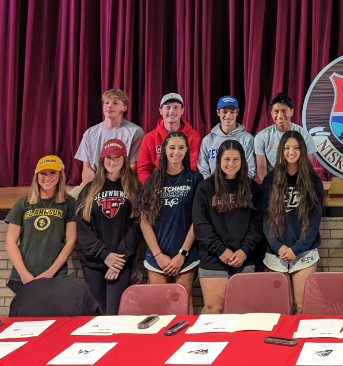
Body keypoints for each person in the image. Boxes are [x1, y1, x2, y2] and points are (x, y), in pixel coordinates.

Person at [193, 139, 262, 314]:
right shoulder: (205, 188)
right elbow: (201, 226)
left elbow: (256, 224)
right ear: (219, 161)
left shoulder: (252, 188)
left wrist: (245, 250)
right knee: (214, 309)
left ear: (243, 161)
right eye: (227, 159)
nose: (231, 164)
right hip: (213, 258)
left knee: (243, 310)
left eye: (236, 159)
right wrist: (220, 250)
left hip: (243, 258)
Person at [75, 139, 142, 314]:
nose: (112, 161)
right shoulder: (89, 189)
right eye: (108, 157)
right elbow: (82, 229)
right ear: (102, 160)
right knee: (97, 313)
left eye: (117, 157)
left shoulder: (134, 188)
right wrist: (104, 255)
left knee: (114, 313)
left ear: (124, 160)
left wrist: (118, 259)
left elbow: (136, 227)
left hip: (120, 263)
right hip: (94, 262)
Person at [138, 132, 203, 307]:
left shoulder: (195, 179)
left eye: (181, 148)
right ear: (164, 150)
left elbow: (198, 220)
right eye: (172, 147)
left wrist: (182, 254)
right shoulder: (152, 181)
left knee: (183, 302)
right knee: (160, 305)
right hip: (157, 255)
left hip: (185, 254)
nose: (176, 152)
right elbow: (144, 221)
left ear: (187, 150)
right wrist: (158, 255)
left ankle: (188, 336)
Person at [262, 131, 325, 313]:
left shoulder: (312, 181)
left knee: (303, 306)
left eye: (296, 148)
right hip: (276, 253)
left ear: (302, 151)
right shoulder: (270, 180)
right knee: (279, 308)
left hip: (303, 253)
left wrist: (296, 249)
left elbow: (314, 222)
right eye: (287, 148)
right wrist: (279, 247)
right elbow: (265, 219)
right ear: (281, 150)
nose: (291, 152)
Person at [5, 156, 77, 294]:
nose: (47, 178)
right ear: (36, 175)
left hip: (55, 275)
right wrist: (23, 273)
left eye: (52, 173)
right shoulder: (23, 203)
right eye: (43, 173)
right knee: (25, 315)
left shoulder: (69, 204)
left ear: (60, 175)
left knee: (52, 315)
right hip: (23, 276)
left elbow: (71, 241)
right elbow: (10, 242)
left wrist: (50, 273)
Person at [75, 89, 144, 183]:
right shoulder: (90, 132)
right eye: (106, 102)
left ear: (124, 107)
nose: (109, 106)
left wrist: (114, 186)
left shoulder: (135, 132)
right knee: (72, 196)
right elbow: (87, 167)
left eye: (115, 103)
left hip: (123, 182)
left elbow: (133, 166)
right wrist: (90, 190)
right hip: (95, 182)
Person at [137, 93, 202, 183]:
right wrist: (151, 188)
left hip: (183, 185)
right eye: (167, 107)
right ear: (160, 111)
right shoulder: (149, 138)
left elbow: (192, 166)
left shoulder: (193, 136)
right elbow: (143, 169)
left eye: (176, 107)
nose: (172, 111)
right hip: (156, 184)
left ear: (182, 110)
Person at [254, 93, 316, 182]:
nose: (280, 115)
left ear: (291, 112)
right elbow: (261, 169)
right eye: (276, 112)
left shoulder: (305, 136)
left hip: (297, 182)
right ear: (271, 113)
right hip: (273, 183)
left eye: (284, 111)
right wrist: (269, 188)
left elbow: (306, 167)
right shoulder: (261, 137)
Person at [198, 96, 256, 179]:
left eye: (232, 112)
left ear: (237, 112)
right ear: (218, 112)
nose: (228, 116)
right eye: (224, 112)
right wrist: (211, 187)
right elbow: (203, 169)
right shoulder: (208, 140)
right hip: (214, 188)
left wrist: (239, 188)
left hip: (240, 188)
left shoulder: (247, 139)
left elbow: (250, 169)